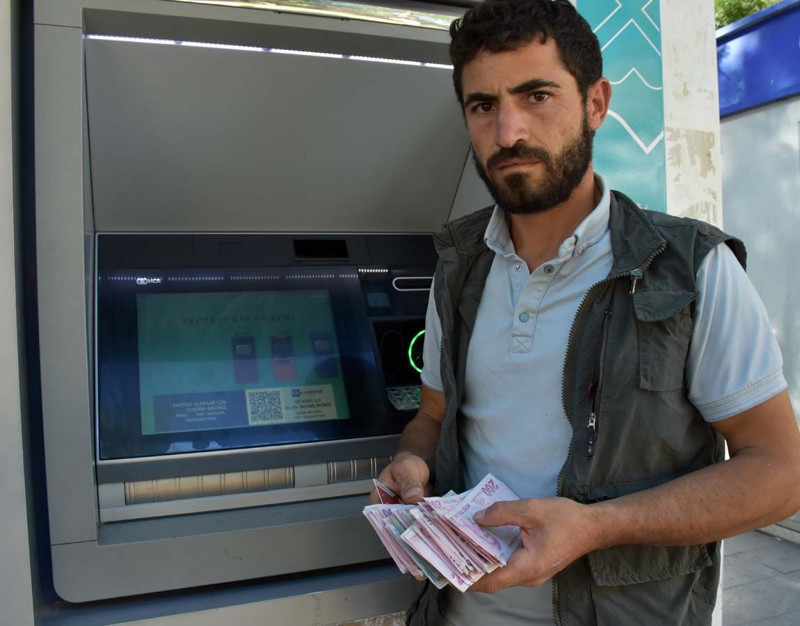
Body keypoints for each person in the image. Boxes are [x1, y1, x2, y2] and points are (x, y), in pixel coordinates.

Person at [370, 0, 800, 624]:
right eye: (483, 105)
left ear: (596, 103)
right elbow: (432, 415)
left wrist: (597, 527)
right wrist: (413, 462)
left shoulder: (691, 269)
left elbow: (780, 474)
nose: (509, 131)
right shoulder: (459, 267)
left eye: (536, 95)